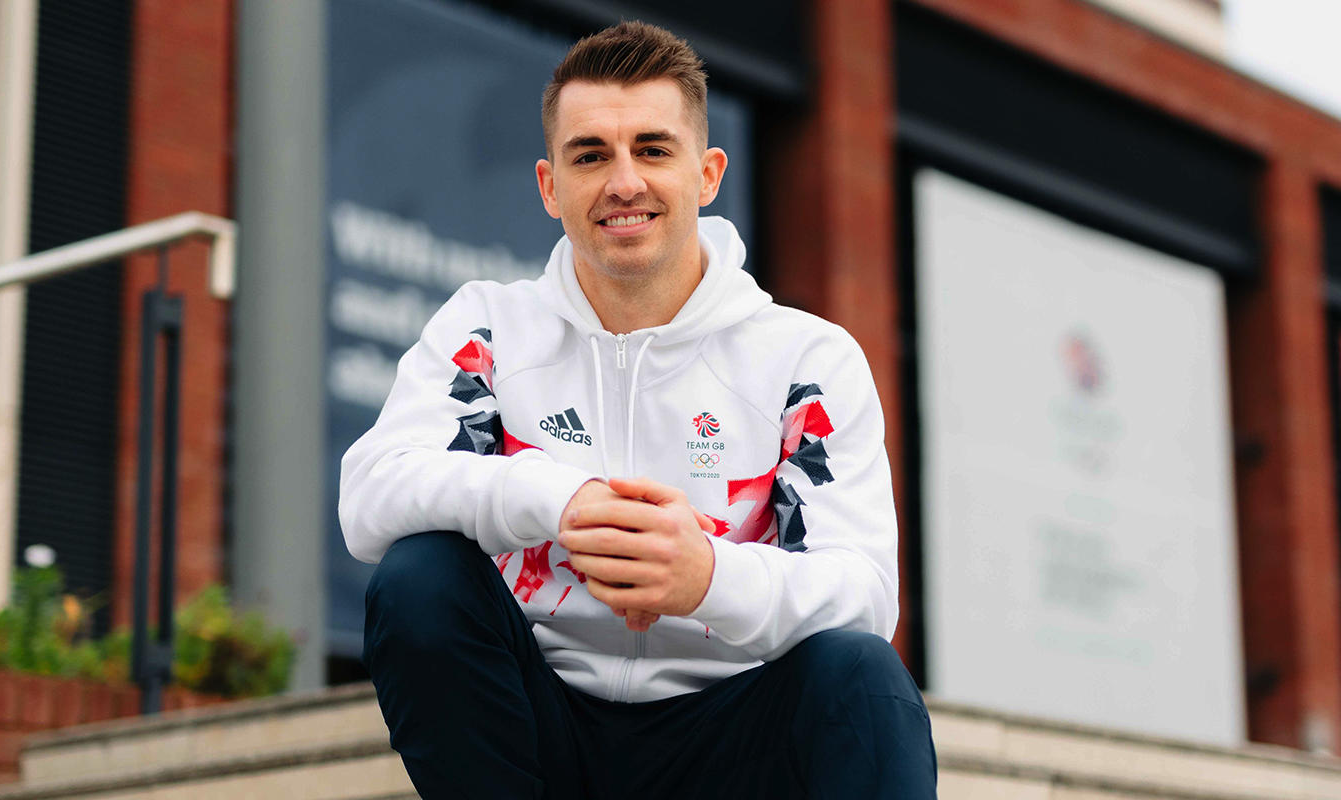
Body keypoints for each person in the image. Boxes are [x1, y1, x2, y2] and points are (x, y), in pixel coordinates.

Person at [339, 20, 936, 799]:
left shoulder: (806, 359)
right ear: (551, 185)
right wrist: (554, 498)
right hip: (537, 723)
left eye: (653, 149)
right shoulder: (487, 325)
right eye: (591, 155)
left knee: (860, 673)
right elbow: (370, 496)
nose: (625, 182)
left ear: (707, 174)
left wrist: (707, 576)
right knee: (419, 576)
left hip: (729, 736)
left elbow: (863, 593)